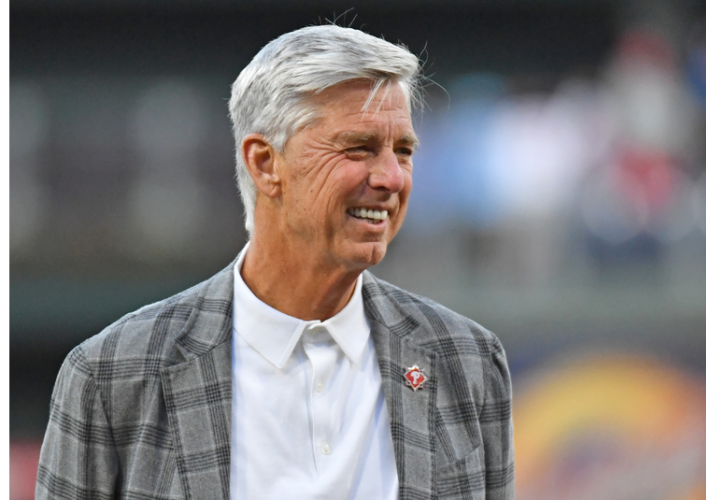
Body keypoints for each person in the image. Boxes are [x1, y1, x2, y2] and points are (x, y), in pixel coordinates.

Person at [36, 25, 514, 500]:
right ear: (265, 163)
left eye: (403, 151)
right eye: (359, 148)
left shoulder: (468, 361)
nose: (392, 177)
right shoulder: (112, 375)